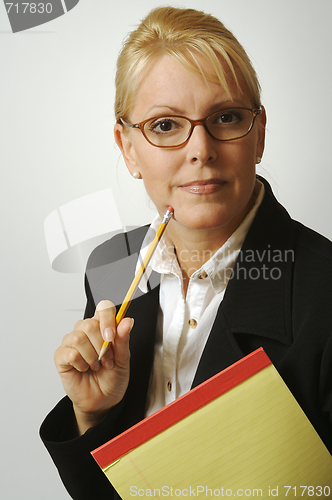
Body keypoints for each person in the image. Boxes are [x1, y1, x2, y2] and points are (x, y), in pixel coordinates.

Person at [40, 6, 332, 500]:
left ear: (259, 134)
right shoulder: (111, 265)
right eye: (166, 125)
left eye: (226, 117)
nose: (201, 149)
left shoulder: (324, 291)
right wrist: (94, 416)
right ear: (128, 148)